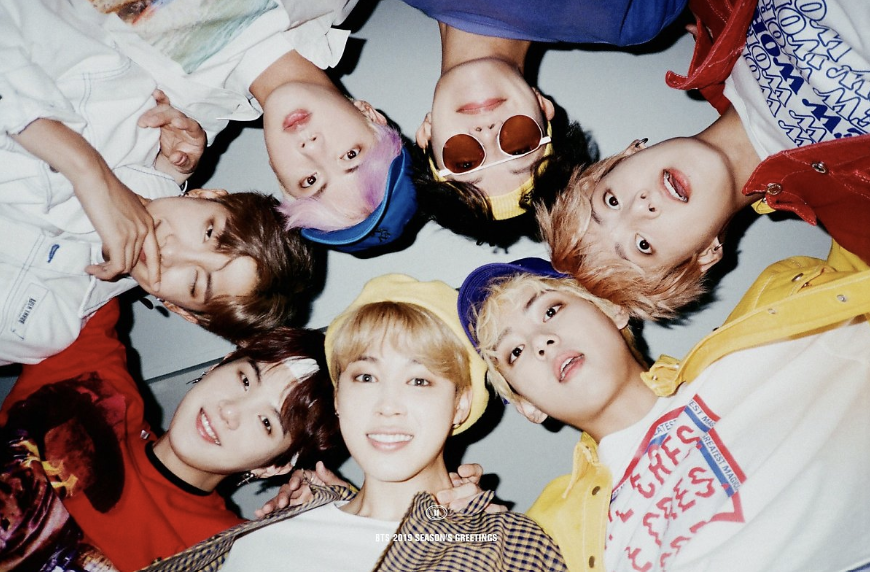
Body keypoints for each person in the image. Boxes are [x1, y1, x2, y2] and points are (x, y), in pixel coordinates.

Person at [457, 252, 870, 571]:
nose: (541, 341)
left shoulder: (763, 332)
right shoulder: (550, 532)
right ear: (528, 406)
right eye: (514, 352)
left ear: (612, 308)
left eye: (550, 310)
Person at [142, 274, 567, 572]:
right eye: (365, 377)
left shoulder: (501, 545)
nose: (387, 405)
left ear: (460, 405)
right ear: (339, 397)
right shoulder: (281, 520)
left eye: (419, 381)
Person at [539, 0, 870, 319]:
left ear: (625, 156)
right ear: (703, 257)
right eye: (642, 245)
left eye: (611, 201)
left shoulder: (712, 11)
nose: (641, 207)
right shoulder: (858, 213)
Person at [0, 298, 339, 572]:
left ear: (275, 466)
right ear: (220, 364)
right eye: (245, 379)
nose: (230, 410)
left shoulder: (223, 554)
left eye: (266, 422)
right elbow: (90, 258)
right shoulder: (95, 383)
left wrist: (340, 523)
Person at [81, 0, 419, 252]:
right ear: (370, 116)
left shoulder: (174, 112)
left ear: (279, 176)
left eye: (310, 181)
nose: (312, 148)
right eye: (350, 155)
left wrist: (171, 171)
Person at [406, 0, 687, 245]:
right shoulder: (628, 15)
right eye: (519, 146)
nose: (487, 133)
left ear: (427, 135)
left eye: (465, 162)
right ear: (543, 107)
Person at [0, 187, 314, 365]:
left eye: (194, 283)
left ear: (178, 308)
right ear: (207, 195)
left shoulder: (48, 326)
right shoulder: (130, 129)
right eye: (209, 232)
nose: (171, 251)